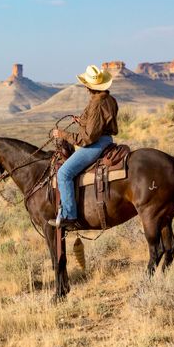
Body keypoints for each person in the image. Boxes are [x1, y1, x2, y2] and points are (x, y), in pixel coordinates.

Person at [48, 65, 119, 231]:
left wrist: (63, 135)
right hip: (107, 140)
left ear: (88, 86)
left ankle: (69, 215)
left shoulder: (97, 102)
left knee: (64, 173)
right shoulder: (109, 99)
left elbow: (87, 138)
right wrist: (82, 121)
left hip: (96, 144)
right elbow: (99, 124)